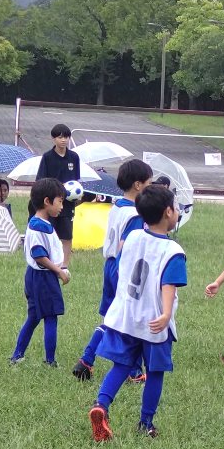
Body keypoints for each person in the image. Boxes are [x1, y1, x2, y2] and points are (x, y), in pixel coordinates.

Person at [87, 185, 187, 441]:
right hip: (153, 322)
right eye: (176, 207)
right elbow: (169, 284)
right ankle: (146, 422)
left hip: (126, 317)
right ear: (168, 212)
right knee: (155, 372)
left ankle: (101, 405)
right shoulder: (173, 251)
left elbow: (120, 265)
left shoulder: (132, 237)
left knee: (121, 365)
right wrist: (166, 314)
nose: (177, 212)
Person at [72, 159, 153, 382]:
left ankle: (87, 359)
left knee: (112, 318)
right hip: (123, 268)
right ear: (138, 185)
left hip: (109, 265)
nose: (151, 187)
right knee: (130, 319)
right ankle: (134, 372)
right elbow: (126, 246)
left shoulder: (117, 206)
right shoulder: (136, 214)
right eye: (149, 183)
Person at [9, 178, 71, 367]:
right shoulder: (39, 227)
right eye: (60, 201)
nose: (62, 206)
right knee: (51, 317)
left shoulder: (41, 223)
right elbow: (39, 255)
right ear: (47, 201)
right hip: (43, 278)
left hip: (35, 277)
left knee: (34, 317)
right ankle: (50, 361)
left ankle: (17, 356)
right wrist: (59, 271)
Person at [35, 124, 81, 269]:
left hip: (68, 203)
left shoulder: (74, 157)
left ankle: (64, 265)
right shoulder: (47, 157)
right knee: (50, 232)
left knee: (67, 235)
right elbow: (41, 180)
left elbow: (76, 180)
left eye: (66, 137)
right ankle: (50, 262)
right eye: (60, 137)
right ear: (53, 138)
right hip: (52, 202)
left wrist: (76, 193)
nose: (63, 140)